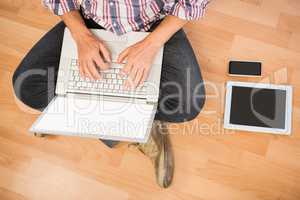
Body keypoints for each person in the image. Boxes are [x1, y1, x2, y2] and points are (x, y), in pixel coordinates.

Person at [12, 0, 208, 188]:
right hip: (90, 20)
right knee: (26, 87)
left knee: (188, 105)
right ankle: (127, 126)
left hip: (156, 22)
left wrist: (151, 45)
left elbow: (192, 3)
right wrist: (81, 36)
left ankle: (134, 124)